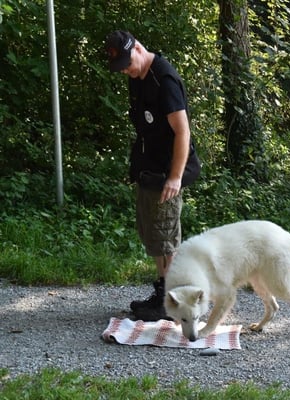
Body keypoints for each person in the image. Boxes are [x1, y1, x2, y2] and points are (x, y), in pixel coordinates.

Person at [105, 30, 201, 321]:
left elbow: (182, 132)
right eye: (120, 67)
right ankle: (163, 293)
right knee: (154, 236)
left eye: (127, 63)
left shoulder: (164, 79)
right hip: (149, 170)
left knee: (167, 238)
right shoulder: (138, 77)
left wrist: (175, 177)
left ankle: (173, 302)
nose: (125, 70)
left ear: (138, 48)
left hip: (167, 173)